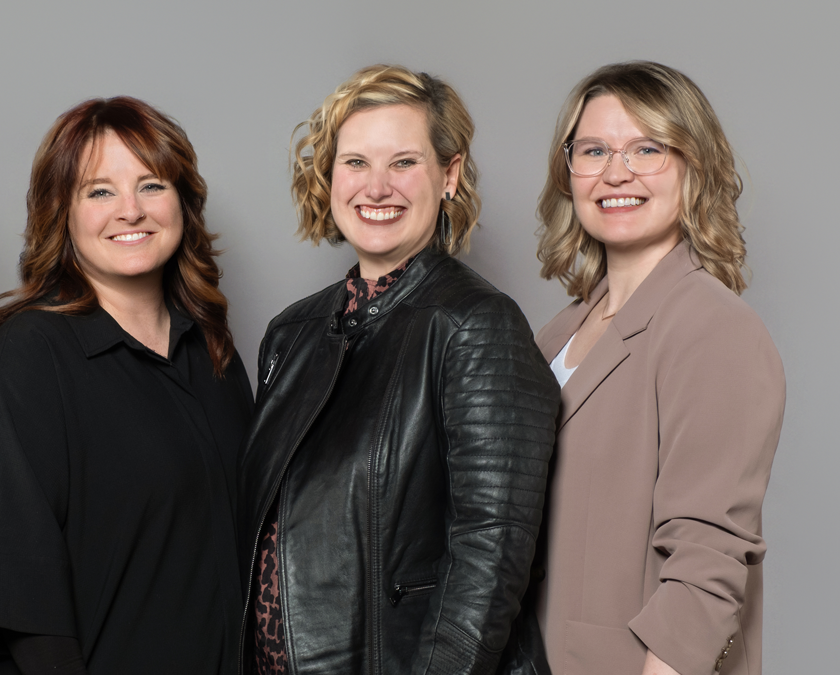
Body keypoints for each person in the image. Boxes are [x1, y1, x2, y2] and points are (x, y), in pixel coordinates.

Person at [237, 64, 560, 675]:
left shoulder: (477, 325)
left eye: (404, 162)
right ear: (328, 177)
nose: (376, 187)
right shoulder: (291, 334)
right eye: (355, 162)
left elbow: (492, 554)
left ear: (450, 175)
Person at [0, 96, 253, 675]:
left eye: (152, 185)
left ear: (183, 202)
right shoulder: (25, 356)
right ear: (60, 212)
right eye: (99, 191)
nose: (130, 210)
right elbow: (14, 593)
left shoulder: (214, 353)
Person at [533, 61, 785, 675]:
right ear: (569, 173)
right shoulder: (556, 332)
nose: (616, 172)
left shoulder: (713, 328)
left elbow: (708, 563)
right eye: (594, 149)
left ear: (693, 165)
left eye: (647, 148)